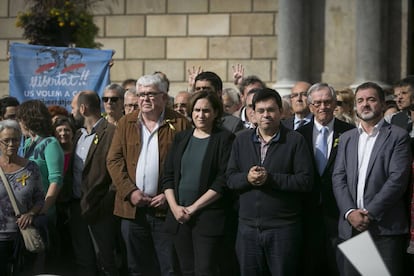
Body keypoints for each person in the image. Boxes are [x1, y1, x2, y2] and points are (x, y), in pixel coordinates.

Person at [107, 74, 191, 276]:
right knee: (137, 268)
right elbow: (114, 160)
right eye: (141, 94)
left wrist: (168, 195)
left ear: (163, 96)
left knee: (169, 267)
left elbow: (187, 167)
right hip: (132, 209)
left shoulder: (180, 123)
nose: (144, 99)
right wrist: (130, 191)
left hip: (165, 210)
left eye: (151, 94)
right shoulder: (126, 122)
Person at [227, 88, 313, 275]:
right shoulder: (241, 141)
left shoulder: (294, 140)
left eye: (271, 110)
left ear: (281, 112)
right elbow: (230, 178)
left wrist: (270, 178)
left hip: (283, 230)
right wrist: (247, 178)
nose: (266, 115)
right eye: (261, 111)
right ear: (253, 114)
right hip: (248, 229)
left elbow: (305, 181)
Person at [332, 82, 411, 276]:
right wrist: (350, 212)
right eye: (360, 100)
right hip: (352, 229)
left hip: (384, 229)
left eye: (371, 99)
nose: (365, 104)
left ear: (383, 104)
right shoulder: (347, 138)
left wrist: (370, 213)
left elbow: (397, 179)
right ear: (355, 106)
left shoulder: (398, 136)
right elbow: (338, 177)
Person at [162, 91, 235, 275]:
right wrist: (175, 208)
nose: (200, 115)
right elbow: (168, 176)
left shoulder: (224, 139)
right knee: (185, 269)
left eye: (206, 111)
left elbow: (222, 181)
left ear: (216, 113)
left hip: (208, 218)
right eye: (196, 110)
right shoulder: (181, 138)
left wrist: (193, 208)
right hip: (179, 218)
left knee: (205, 270)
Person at [60, 90, 122, 275]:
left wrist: (104, 204)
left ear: (83, 108)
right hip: (78, 209)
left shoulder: (111, 133)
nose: (71, 112)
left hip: (101, 211)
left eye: (73, 108)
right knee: (84, 262)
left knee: (106, 262)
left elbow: (117, 174)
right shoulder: (78, 135)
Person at [296, 83, 355, 276]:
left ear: (334, 104)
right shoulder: (298, 135)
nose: (323, 107)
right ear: (311, 106)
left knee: (338, 266)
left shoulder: (349, 132)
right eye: (318, 103)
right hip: (307, 210)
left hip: (338, 211)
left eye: (328, 102)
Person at [16, 100, 64, 273]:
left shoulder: (51, 143)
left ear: (27, 119)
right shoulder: (27, 144)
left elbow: (56, 180)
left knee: (41, 263)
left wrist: (41, 209)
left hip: (42, 215)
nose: (19, 123)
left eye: (20, 118)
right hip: (25, 214)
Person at [0, 119, 44, 275]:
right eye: (6, 140)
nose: (11, 144)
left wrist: (31, 213)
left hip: (22, 236)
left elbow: (40, 198)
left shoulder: (31, 168)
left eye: (15, 139)